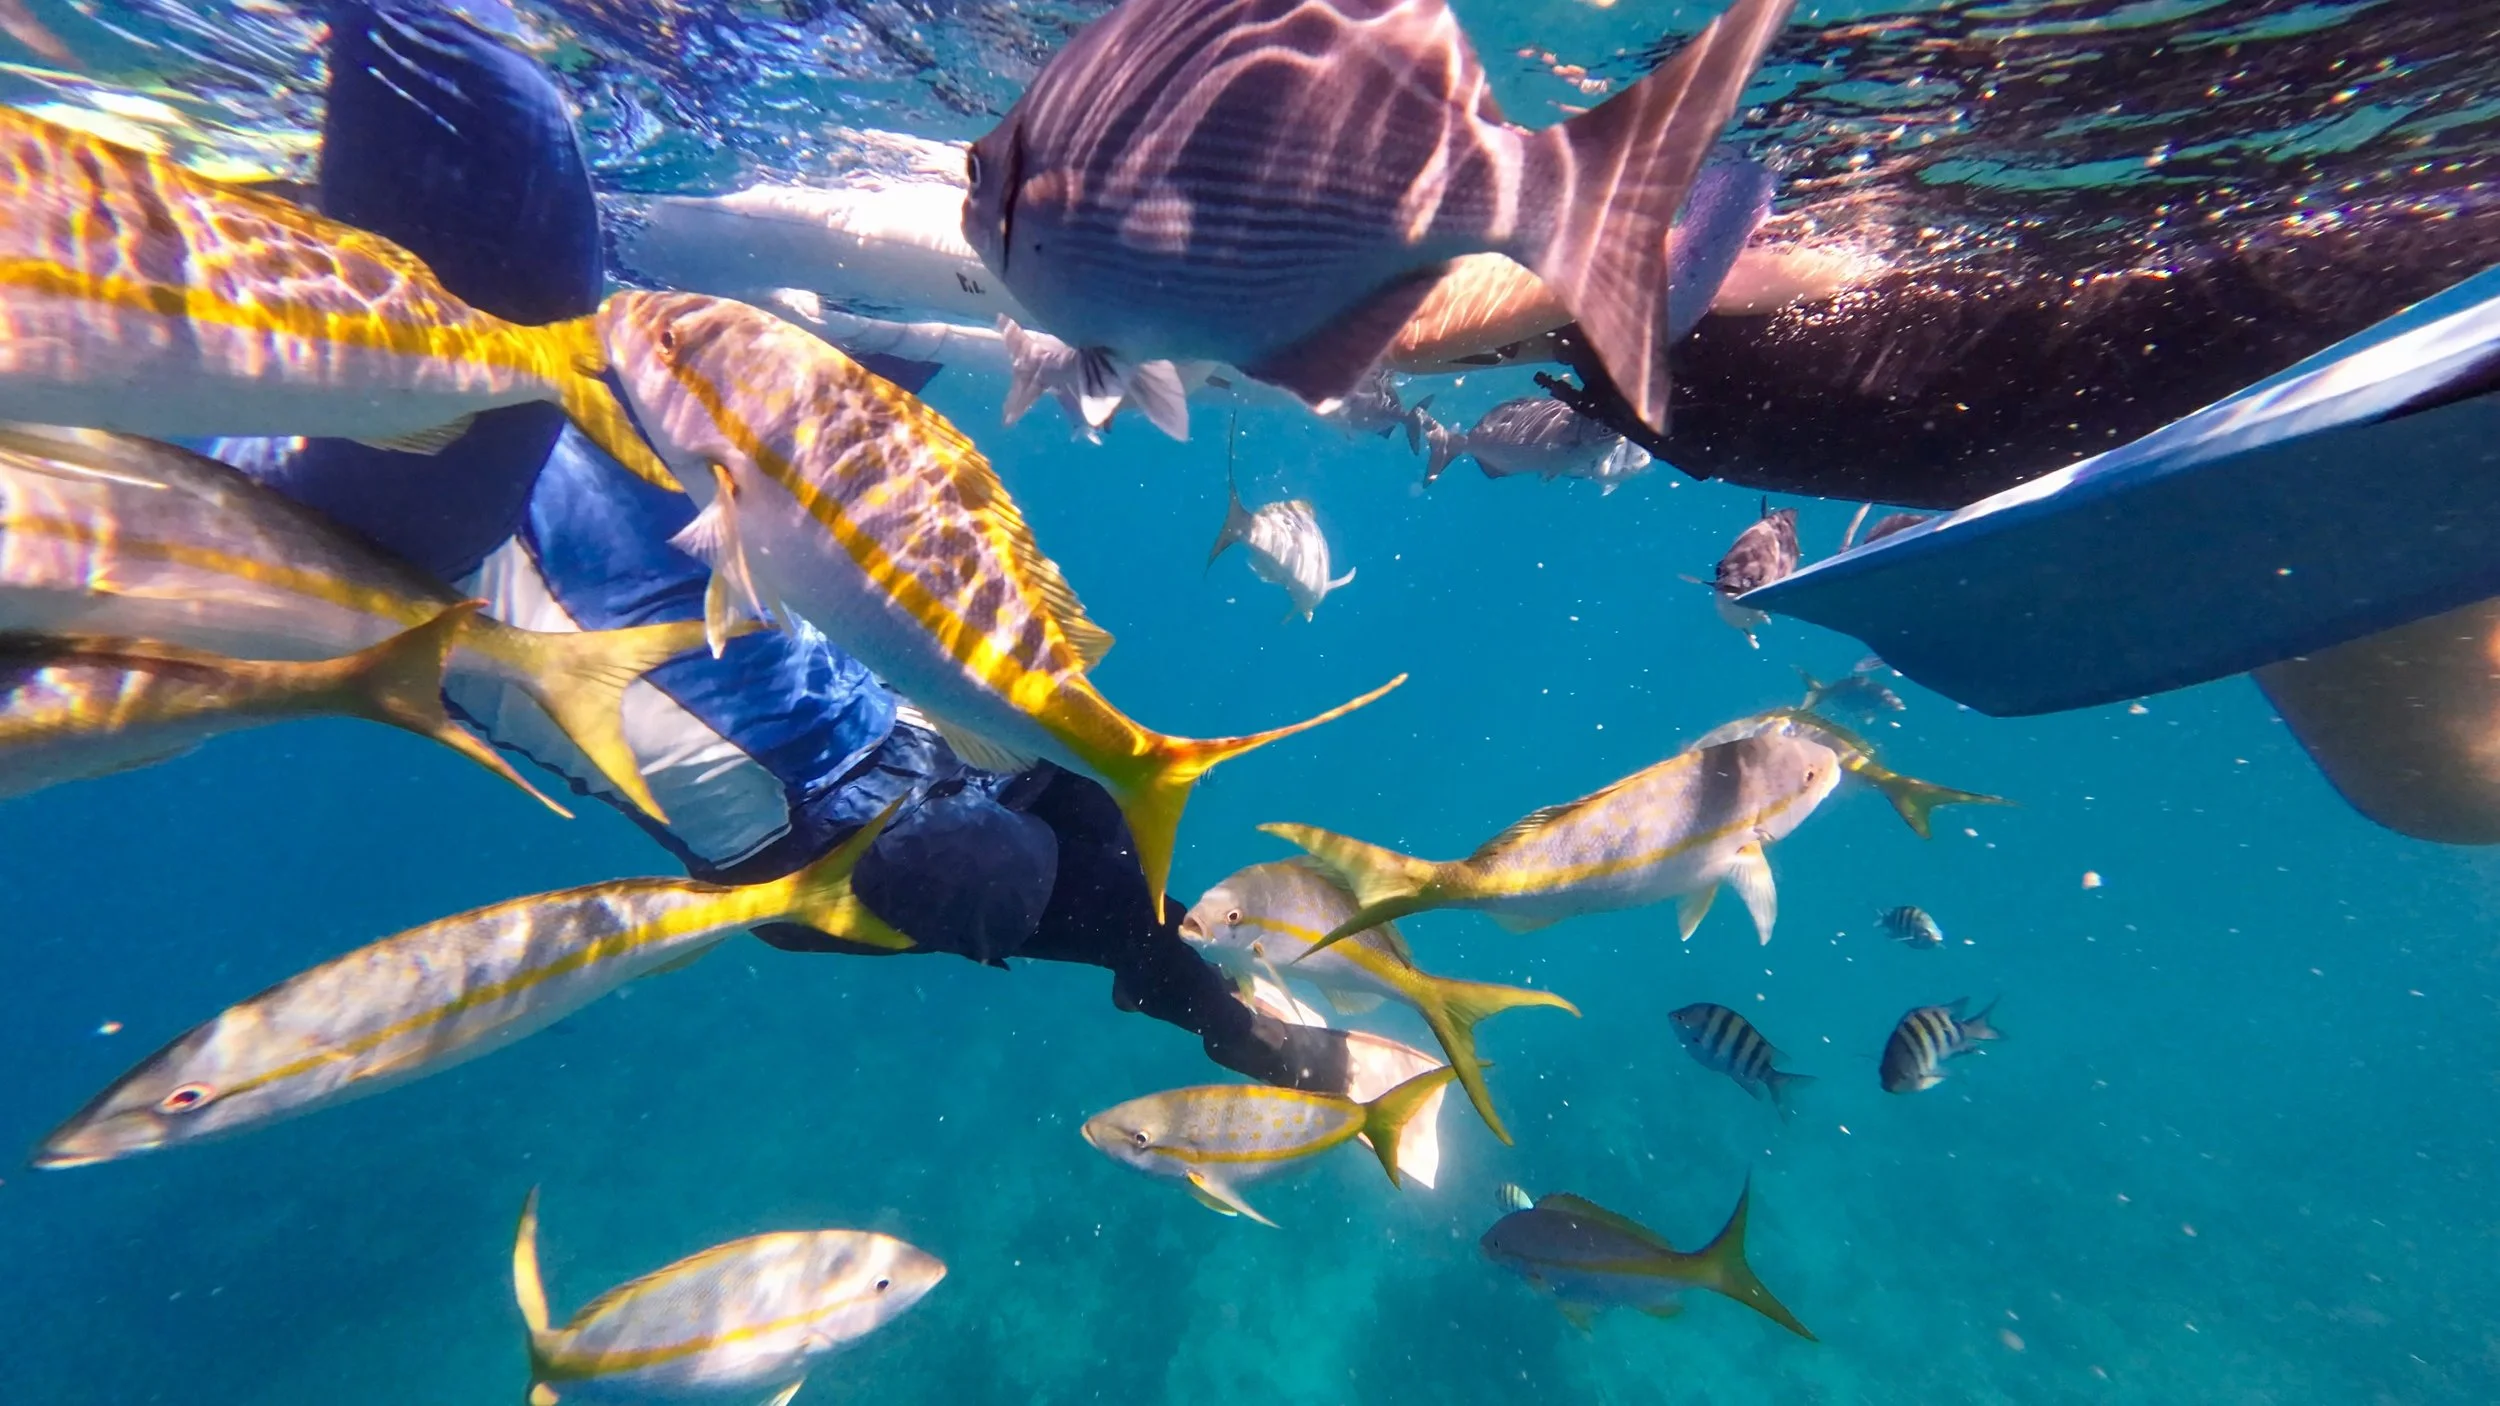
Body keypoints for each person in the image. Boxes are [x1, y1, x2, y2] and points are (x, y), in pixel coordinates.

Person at [223, 0, 1353, 1093]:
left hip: (879, 708)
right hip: (800, 838)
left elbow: (811, 423)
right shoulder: (378, 492)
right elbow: (501, 197)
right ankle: (1211, 1012)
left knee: (1081, 800)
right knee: (1005, 865)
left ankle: (1192, 986)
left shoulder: (549, 361)